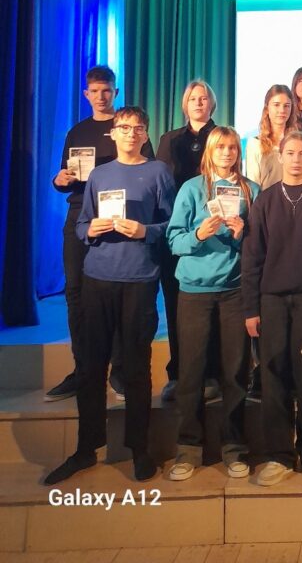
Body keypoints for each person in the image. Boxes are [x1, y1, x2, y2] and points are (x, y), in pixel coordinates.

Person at [44, 106, 175, 485]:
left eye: (138, 128)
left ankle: (139, 449)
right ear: (113, 133)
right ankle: (86, 448)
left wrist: (145, 231)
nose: (131, 133)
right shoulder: (99, 175)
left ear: (146, 135)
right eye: (124, 127)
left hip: (139, 280)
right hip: (97, 280)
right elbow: (82, 224)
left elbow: (170, 225)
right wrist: (91, 229)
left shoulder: (159, 172)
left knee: (135, 369)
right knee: (90, 367)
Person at [46, 65, 153, 402]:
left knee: (119, 293)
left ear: (115, 92)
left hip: (122, 219)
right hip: (81, 215)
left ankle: (119, 371)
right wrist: (59, 180)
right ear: (86, 94)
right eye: (94, 91)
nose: (101, 96)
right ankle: (84, 370)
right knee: (75, 293)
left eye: (107, 90)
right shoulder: (77, 132)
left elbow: (148, 172)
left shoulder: (128, 129)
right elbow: (65, 177)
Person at [242, 131, 302, 486]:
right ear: (280, 157)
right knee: (274, 378)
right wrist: (251, 308)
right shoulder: (265, 200)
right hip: (271, 302)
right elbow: (252, 258)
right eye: (290, 153)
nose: (296, 159)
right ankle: (279, 456)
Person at [166, 126, 258, 480]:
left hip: (235, 291)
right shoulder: (192, 189)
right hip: (194, 290)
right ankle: (188, 448)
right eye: (220, 147)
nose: (226, 153)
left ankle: (234, 448)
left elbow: (257, 246)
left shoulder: (251, 191)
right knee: (191, 371)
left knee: (235, 372)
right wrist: (198, 234)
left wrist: (240, 236)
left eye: (232, 147)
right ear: (209, 151)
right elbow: (174, 240)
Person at [156, 78, 219, 403]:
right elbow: (160, 185)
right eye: (193, 98)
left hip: (215, 234)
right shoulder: (169, 140)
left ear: (211, 104)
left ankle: (212, 374)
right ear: (185, 104)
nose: (198, 103)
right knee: (175, 306)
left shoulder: (221, 136)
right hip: (179, 232)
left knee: (215, 309)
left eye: (203, 98)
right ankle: (178, 373)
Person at [245, 85, 299, 190]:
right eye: (276, 105)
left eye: (287, 106)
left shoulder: (299, 142)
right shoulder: (255, 144)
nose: (282, 110)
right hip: (265, 199)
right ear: (267, 108)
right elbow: (253, 186)